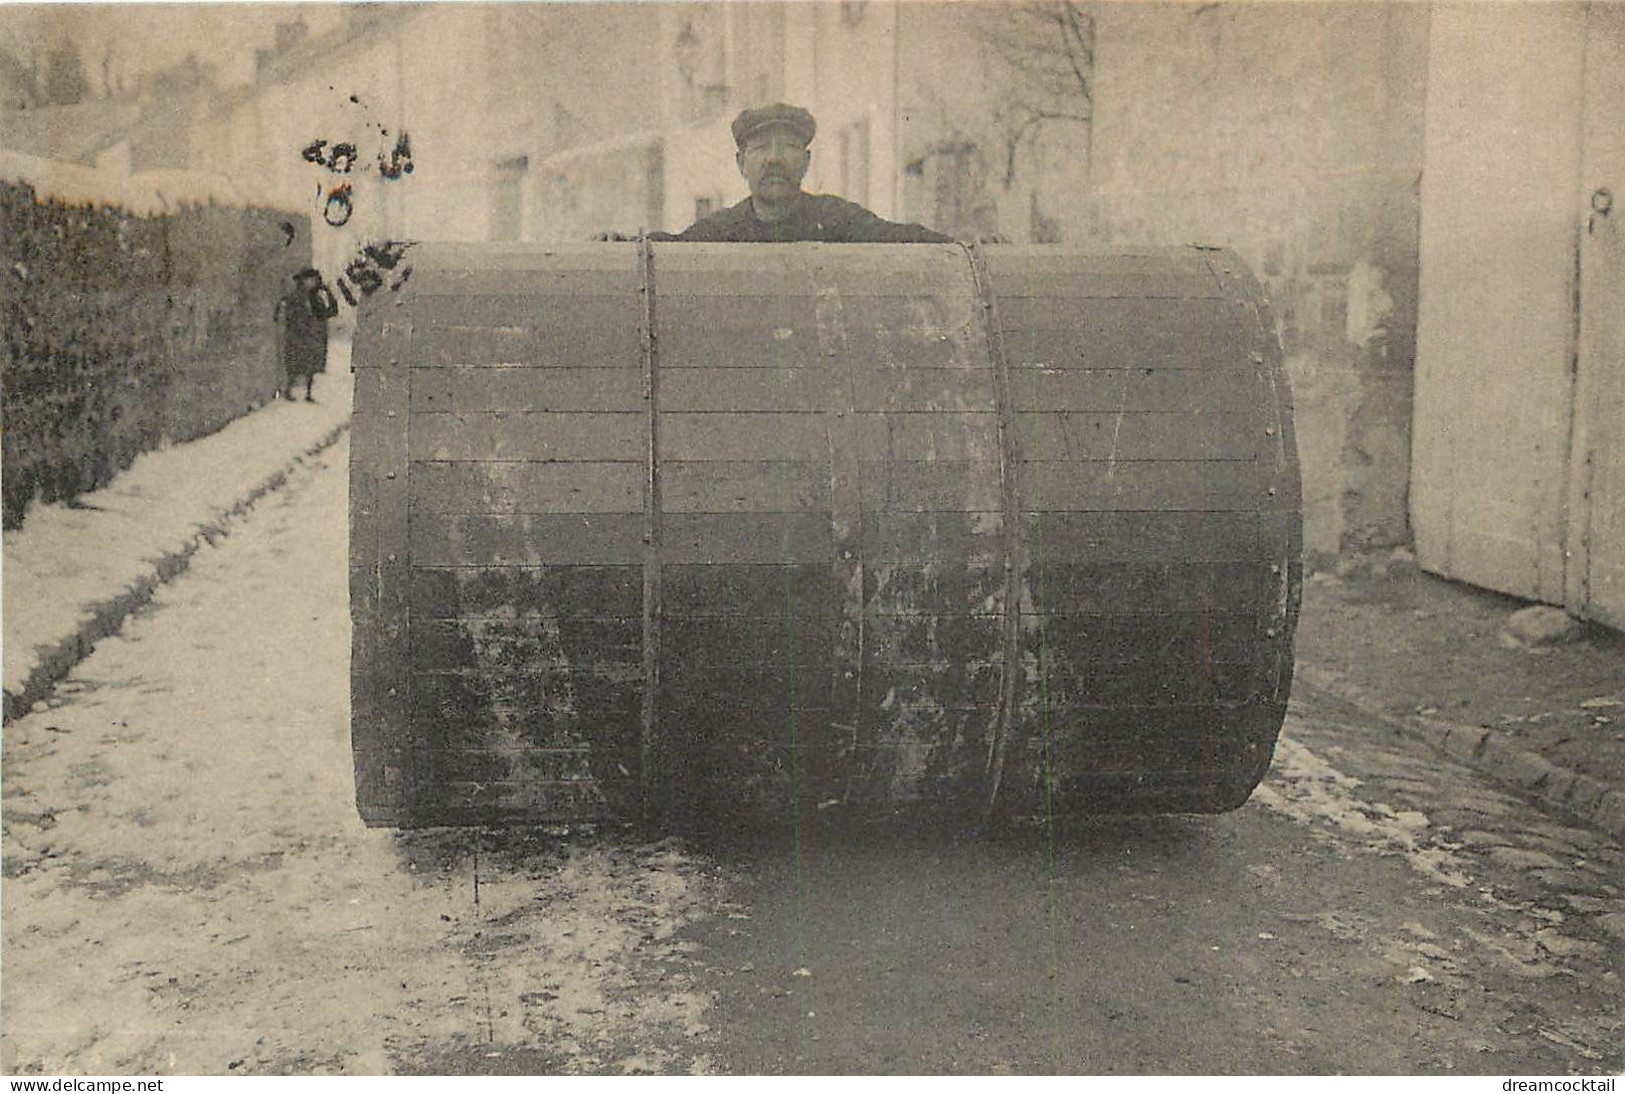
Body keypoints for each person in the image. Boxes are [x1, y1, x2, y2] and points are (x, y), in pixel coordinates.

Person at [646, 103, 954, 244]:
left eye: (789, 146)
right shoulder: (722, 230)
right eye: (761, 148)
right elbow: (671, 247)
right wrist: (620, 244)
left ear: (806, 161)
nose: (774, 159)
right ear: (741, 164)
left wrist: (964, 245)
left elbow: (897, 236)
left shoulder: (835, 219)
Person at [273, 280, 328, 402]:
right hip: (296, 336)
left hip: (308, 336)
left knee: (309, 365)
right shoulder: (293, 297)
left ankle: (308, 393)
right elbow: (281, 308)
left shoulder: (314, 298)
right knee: (294, 364)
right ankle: (289, 390)